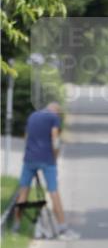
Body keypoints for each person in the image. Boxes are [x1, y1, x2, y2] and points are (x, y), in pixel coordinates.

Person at [14, 102, 79, 240]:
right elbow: (55, 140)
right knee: (53, 191)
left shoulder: (32, 116)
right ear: (56, 111)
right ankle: (62, 229)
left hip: (29, 159)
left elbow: (26, 137)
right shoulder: (53, 117)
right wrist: (55, 157)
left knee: (23, 191)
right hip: (46, 159)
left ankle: (16, 226)